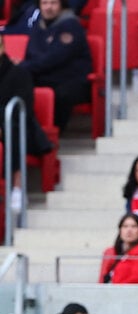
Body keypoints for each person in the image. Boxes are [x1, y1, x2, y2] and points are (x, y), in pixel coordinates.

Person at [19, 0, 91, 131]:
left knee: (60, 94)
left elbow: (55, 58)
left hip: (69, 80)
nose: (48, 7)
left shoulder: (71, 26)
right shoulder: (38, 26)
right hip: (44, 76)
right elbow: (31, 54)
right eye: (45, 3)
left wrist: (23, 66)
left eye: (53, 3)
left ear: (61, 6)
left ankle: (53, 132)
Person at [0, 33, 52, 214]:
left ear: (2, 49)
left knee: (13, 130)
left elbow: (24, 107)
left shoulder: (19, 72)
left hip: (18, 124)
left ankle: (17, 187)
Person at [100, 214, 138, 284]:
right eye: (125, 226)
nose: (129, 230)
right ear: (120, 230)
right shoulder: (115, 251)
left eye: (134, 226)